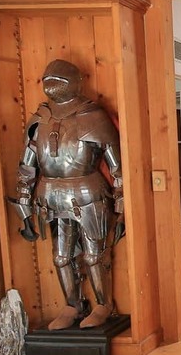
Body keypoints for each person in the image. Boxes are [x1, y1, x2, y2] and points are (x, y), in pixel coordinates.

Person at [10, 59, 123, 330]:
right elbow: (27, 167)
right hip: (49, 195)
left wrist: (122, 207)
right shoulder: (40, 118)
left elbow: (118, 168)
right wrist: (24, 209)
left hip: (88, 193)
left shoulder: (92, 115)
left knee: (95, 255)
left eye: (58, 79)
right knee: (61, 257)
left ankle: (103, 304)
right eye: (48, 79)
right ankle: (73, 305)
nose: (52, 84)